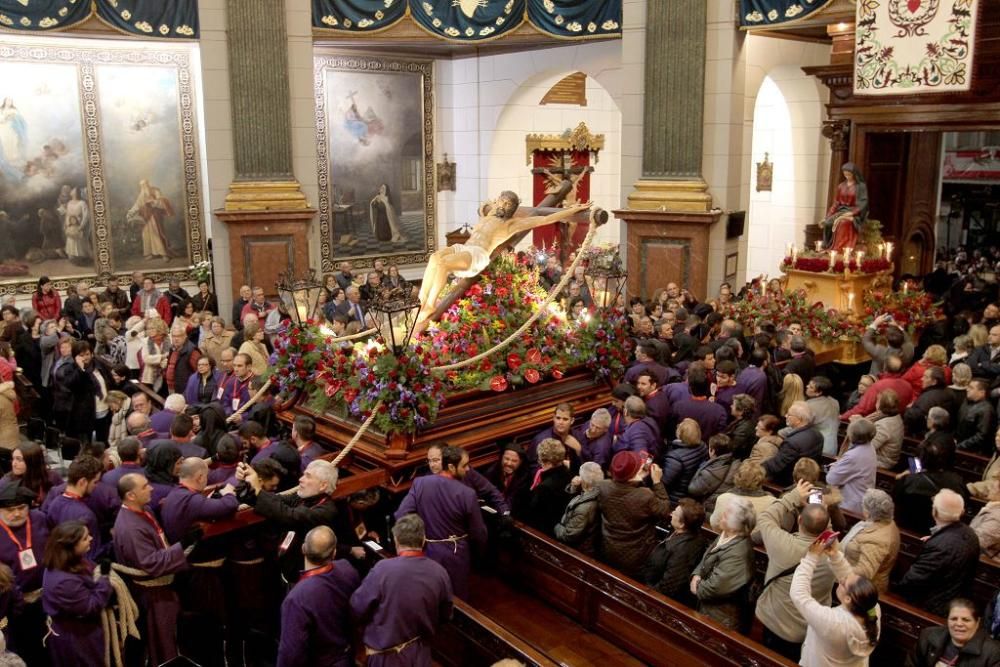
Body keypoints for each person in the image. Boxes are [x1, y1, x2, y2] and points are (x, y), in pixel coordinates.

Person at [416, 192, 592, 325]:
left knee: (442, 263)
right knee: (434, 257)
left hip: (477, 255)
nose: (503, 204)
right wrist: (488, 205)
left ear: (512, 208)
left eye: (507, 204)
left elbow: (545, 218)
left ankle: (430, 304)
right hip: (466, 247)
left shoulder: (511, 224)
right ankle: (422, 300)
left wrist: (573, 210)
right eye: (502, 200)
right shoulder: (492, 212)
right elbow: (485, 204)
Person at [350, 515, 453, 665]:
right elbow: (446, 615)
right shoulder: (440, 573)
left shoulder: (382, 570)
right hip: (421, 653)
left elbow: (357, 607)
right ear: (423, 540)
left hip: (387, 657)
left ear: (396, 540)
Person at [112, 473, 191, 666]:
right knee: (164, 645)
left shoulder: (144, 509)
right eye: (145, 486)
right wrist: (182, 546)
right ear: (130, 495)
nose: (151, 488)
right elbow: (151, 563)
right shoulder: (131, 528)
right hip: (153, 594)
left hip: (163, 588)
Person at [754, 479, 835, 660]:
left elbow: (766, 518)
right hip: (810, 629)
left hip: (775, 622)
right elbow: (829, 535)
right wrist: (822, 513)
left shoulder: (783, 544)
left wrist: (792, 497)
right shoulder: (834, 554)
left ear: (799, 520)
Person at [395, 445, 487, 599]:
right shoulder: (468, 494)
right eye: (464, 465)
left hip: (427, 550)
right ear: (451, 467)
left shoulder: (420, 483)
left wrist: (418, 539)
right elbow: (479, 533)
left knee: (429, 592)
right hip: (457, 554)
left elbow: (400, 515)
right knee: (456, 597)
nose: (468, 469)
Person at [277, 526, 360, 667]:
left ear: (303, 548)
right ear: (334, 553)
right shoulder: (347, 568)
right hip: (349, 655)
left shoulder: (296, 598)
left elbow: (291, 653)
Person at [790, 538, 880, 666]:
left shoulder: (833, 623)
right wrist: (835, 556)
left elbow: (799, 595)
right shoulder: (873, 609)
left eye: (842, 584)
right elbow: (850, 582)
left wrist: (811, 557)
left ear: (848, 599)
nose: (841, 580)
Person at [895, 489, 981, 617]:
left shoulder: (940, 546)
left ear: (934, 512)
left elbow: (912, 580)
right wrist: (938, 538)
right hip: (954, 599)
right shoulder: (969, 533)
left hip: (932, 607)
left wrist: (895, 589)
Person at [41, 521, 113, 667]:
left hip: (81, 631)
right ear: (71, 546)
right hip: (77, 639)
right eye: (85, 538)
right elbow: (91, 606)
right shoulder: (64, 582)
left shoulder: (71, 561)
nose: (91, 539)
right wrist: (104, 579)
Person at [598, 450, 670, 580]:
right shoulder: (645, 495)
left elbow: (623, 487)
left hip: (608, 547)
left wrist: (635, 477)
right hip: (635, 555)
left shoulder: (603, 486)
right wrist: (657, 482)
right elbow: (664, 510)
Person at [0, 484, 48, 664]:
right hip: (16, 608)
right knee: (28, 649)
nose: (17, 514)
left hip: (47, 596)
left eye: (21, 508)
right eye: (9, 510)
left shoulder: (40, 519)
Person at [690, 496, 755, 631]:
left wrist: (697, 586)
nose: (720, 518)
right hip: (707, 607)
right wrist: (696, 574)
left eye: (725, 516)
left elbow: (716, 587)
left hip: (720, 618)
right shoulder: (726, 534)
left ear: (735, 525)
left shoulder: (738, 553)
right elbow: (707, 557)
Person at [641, 499, 708, 606]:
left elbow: (669, 585)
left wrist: (647, 595)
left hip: (659, 599)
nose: (671, 514)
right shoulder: (679, 532)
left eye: (675, 513)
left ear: (682, 524)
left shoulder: (684, 549)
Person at [894, 438, 968, 533]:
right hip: (942, 533)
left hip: (907, 529)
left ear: (920, 461)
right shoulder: (957, 481)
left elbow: (896, 501)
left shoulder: (908, 480)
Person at [43, 456, 105, 560]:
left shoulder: (54, 503)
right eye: (95, 482)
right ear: (83, 482)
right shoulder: (86, 515)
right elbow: (93, 555)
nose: (96, 486)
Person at [908, 597, 1000, 666]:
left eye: (966, 620)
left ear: (977, 622)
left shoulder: (993, 653)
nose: (959, 624)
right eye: (953, 619)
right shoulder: (928, 636)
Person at [841, 489, 900, 594]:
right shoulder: (884, 522)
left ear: (868, 513)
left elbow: (864, 573)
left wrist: (837, 565)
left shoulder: (878, 540)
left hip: (858, 591)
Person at [765, 401, 823, 486]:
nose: (785, 416)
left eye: (789, 415)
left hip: (788, 483)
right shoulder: (818, 435)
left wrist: (755, 468)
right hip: (807, 479)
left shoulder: (792, 443)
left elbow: (775, 466)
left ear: (799, 420)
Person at [827, 419, 878, 515]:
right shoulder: (870, 447)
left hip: (850, 504)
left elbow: (831, 479)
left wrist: (834, 467)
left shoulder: (853, 456)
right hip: (862, 498)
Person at [709, 461, 776, 531]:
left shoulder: (723, 498)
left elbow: (714, 525)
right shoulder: (772, 503)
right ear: (761, 480)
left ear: (737, 477)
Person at [554, 461, 603, 556]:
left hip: (578, 551)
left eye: (580, 475)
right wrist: (573, 487)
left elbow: (568, 535)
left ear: (584, 481)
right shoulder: (595, 490)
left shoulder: (585, 509)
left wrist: (555, 526)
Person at [526, 438, 572, 536]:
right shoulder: (570, 474)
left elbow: (534, 514)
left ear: (547, 462)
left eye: (539, 459)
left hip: (546, 533)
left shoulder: (544, 488)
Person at [821, 162, 869, 251]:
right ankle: (826, 246)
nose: (847, 176)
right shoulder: (841, 186)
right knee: (827, 223)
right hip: (841, 211)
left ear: (854, 174)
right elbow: (836, 203)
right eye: (845, 174)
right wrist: (828, 216)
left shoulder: (861, 187)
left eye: (849, 174)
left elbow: (863, 203)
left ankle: (838, 248)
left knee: (842, 223)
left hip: (853, 213)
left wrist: (852, 213)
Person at [687, 434, 739, 514]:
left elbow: (692, 489)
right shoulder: (735, 464)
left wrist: (699, 470)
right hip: (722, 508)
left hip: (709, 510)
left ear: (712, 451)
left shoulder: (709, 473)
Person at [661, 418, 708, 503]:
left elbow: (665, 482)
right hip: (690, 496)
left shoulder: (675, 458)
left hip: (675, 499)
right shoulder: (703, 446)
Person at [957, 378, 996, 455]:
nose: (967, 389)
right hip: (960, 444)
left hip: (973, 452)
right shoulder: (966, 402)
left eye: (971, 388)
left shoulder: (986, 410)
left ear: (982, 392)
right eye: (968, 387)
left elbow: (981, 436)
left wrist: (960, 446)